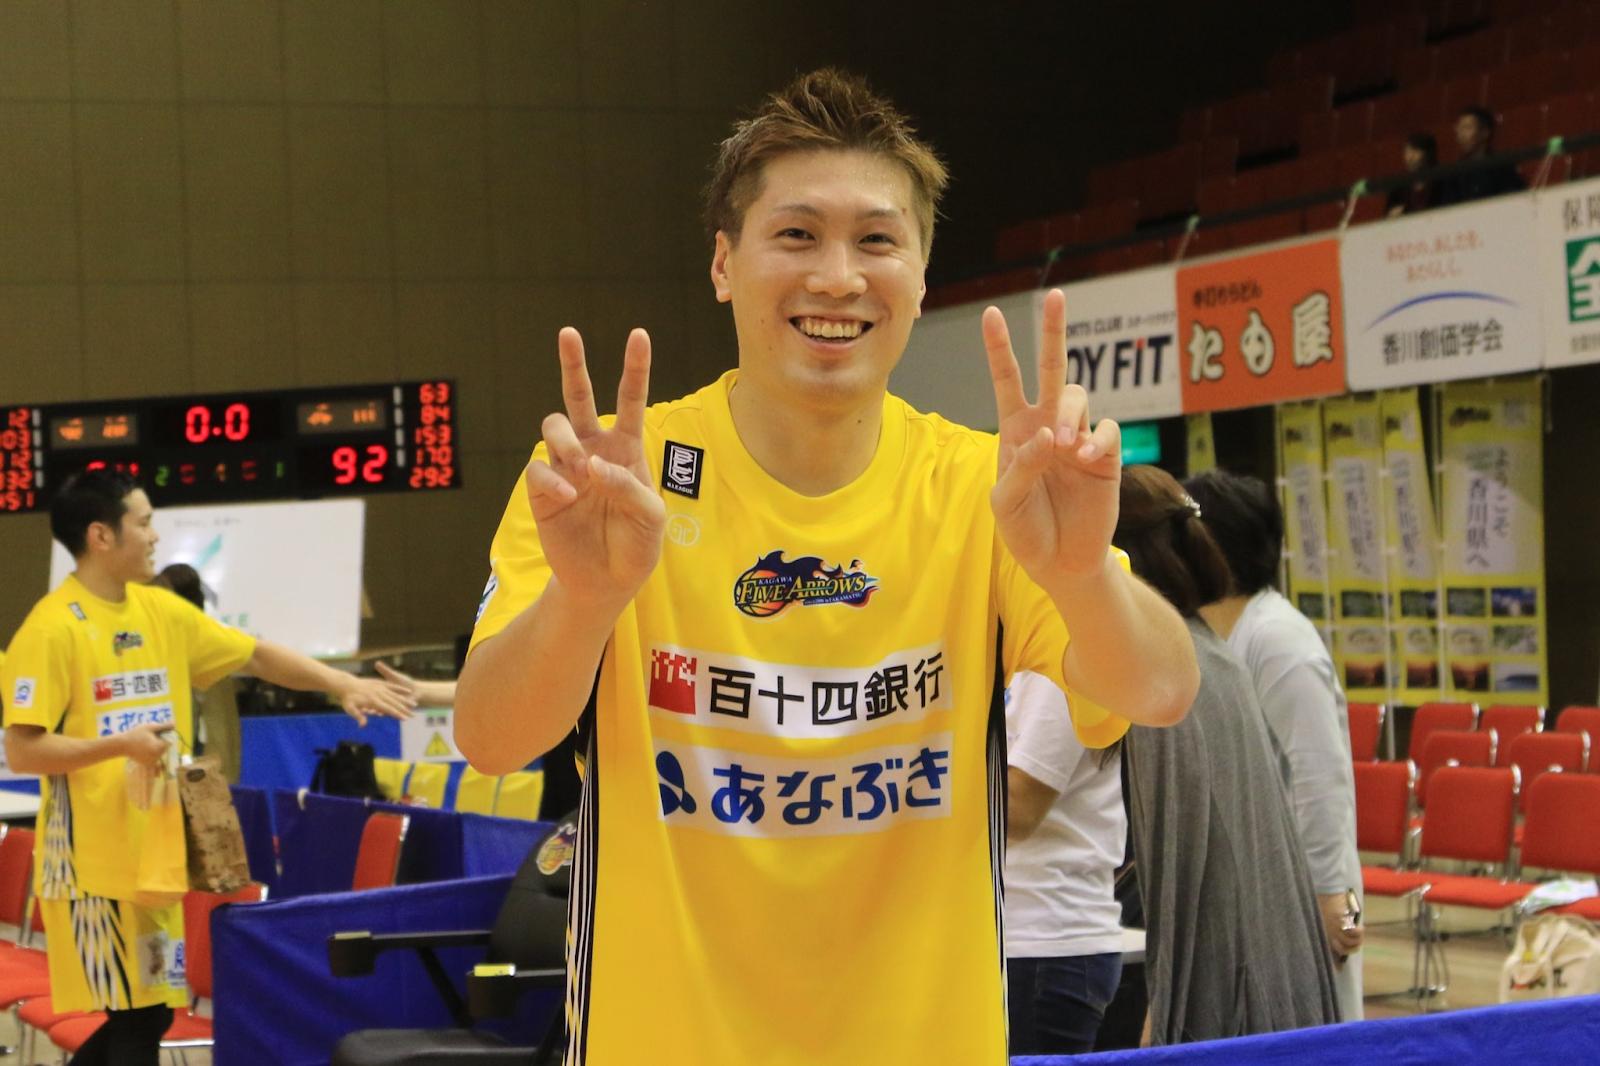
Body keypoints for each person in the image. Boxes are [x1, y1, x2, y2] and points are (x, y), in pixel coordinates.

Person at [456, 68, 1198, 1065]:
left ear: (921, 277)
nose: (839, 277)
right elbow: (492, 738)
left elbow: (1159, 691)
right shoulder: (609, 483)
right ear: (724, 263)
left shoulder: (981, 488)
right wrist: (586, 601)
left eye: (877, 240)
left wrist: (1079, 574)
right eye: (797, 234)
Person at [0, 469, 414, 1066]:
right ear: (101, 535)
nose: (154, 537)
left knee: (147, 1015)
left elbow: (255, 655)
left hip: (159, 858)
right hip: (93, 864)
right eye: (143, 523)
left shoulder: (160, 610)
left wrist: (341, 682)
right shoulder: (51, 628)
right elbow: (23, 750)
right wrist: (120, 746)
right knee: (138, 1019)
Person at [1113, 465, 1339, 1045]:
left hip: (1268, 918)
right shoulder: (1205, 645)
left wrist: (1337, 897)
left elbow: (1321, 779)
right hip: (1265, 918)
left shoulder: (1265, 644)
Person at [1183, 469, 1364, 1020]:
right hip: (1256, 885)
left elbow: (1320, 774)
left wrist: (1331, 896)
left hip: (1305, 890)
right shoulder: (1216, 634)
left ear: (1213, 548)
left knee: (1315, 1040)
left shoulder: (1278, 639)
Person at [1004, 670, 1125, 1055]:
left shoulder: (1060, 663)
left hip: (1043, 941)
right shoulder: (1018, 661)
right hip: (1027, 937)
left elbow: (1019, 808)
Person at [1434, 105, 1524, 207]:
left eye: (1467, 128)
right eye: (1459, 128)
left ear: (1485, 132)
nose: (1460, 134)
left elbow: (1513, 198)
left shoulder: (1501, 165)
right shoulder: (1455, 171)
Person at [1385, 132, 1438, 217]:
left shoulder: (1441, 181)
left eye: (1415, 151)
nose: (1409, 157)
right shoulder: (1398, 186)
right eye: (1407, 151)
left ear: (1428, 154)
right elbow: (1388, 214)